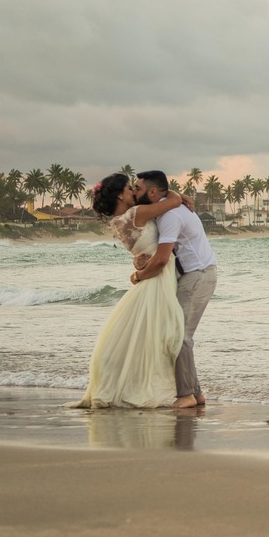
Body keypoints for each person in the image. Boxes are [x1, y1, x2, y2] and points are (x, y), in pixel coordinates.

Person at [72, 173, 188, 408]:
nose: (133, 192)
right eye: (128, 188)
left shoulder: (117, 222)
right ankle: (161, 388)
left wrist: (138, 266)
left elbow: (140, 252)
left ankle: (130, 384)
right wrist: (179, 194)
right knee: (162, 335)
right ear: (119, 195)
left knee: (146, 336)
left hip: (152, 276)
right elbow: (173, 200)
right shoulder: (136, 213)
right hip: (159, 276)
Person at [132, 170, 219, 409]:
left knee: (180, 336)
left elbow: (161, 260)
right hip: (192, 276)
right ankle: (195, 394)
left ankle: (186, 395)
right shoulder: (165, 208)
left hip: (198, 276)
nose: (134, 192)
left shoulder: (170, 215)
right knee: (178, 334)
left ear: (151, 192)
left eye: (137, 188)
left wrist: (138, 276)